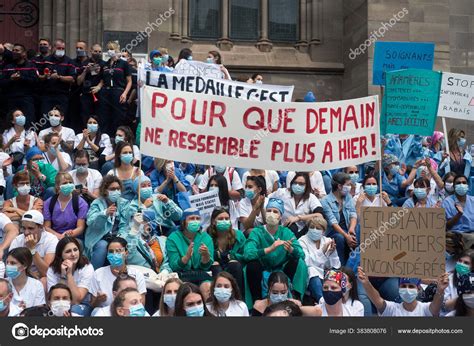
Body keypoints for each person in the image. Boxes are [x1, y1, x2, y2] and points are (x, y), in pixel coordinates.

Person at [243, 198, 307, 308]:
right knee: (251, 265)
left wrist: (291, 250)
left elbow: (302, 254)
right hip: (261, 269)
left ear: (281, 216)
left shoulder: (286, 232)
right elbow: (247, 254)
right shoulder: (257, 232)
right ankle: (257, 301)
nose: (271, 214)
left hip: (281, 269)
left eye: (275, 211)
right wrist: (269, 249)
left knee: (298, 261)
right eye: (269, 211)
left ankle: (294, 297)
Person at [358, 267, 449, 316]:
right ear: (399, 288)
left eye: (411, 286)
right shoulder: (391, 309)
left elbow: (436, 307)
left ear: (418, 289)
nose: (407, 289)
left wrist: (440, 290)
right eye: (403, 286)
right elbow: (376, 298)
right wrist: (366, 282)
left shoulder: (425, 309)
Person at [85, 176, 130, 269]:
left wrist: (121, 238)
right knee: (102, 246)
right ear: (105, 190)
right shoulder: (97, 203)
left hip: (118, 236)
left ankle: (124, 272)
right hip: (100, 237)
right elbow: (90, 222)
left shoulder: (124, 203)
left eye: (118, 188)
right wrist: (104, 213)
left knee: (128, 245)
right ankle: (93, 273)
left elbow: (125, 224)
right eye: (112, 189)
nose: (116, 191)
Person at [89, 237, 147, 310]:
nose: (114, 254)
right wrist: (98, 300)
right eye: (111, 251)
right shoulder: (98, 273)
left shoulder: (137, 274)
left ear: (126, 253)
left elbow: (142, 304)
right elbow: (92, 305)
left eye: (118, 251)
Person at [166, 208, 214, 295]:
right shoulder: (173, 238)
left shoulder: (206, 238)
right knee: (186, 290)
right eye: (191, 218)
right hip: (182, 275)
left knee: (207, 287)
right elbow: (174, 266)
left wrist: (206, 256)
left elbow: (206, 267)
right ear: (183, 222)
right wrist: (186, 257)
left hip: (201, 273)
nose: (195, 221)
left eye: (197, 218)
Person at [46, 237, 94, 316]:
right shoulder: (52, 269)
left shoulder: (87, 267)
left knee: (73, 310)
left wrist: (69, 274)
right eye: (68, 251)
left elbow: (76, 301)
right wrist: (63, 276)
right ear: (60, 255)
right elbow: (55, 296)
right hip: (61, 302)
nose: (73, 254)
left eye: (75, 250)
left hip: (82, 304)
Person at [299, 216, 340, 303]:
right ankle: (322, 301)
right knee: (312, 270)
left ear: (323, 231)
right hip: (310, 278)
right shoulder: (302, 241)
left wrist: (332, 253)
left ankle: (337, 300)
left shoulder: (327, 240)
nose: (314, 230)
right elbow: (307, 262)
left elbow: (336, 265)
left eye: (318, 228)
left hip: (326, 274)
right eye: (312, 227)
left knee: (336, 273)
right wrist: (322, 251)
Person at [269, 172, 324, 238]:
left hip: (303, 232)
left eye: (301, 184)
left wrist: (298, 218)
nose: (297, 185)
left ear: (307, 186)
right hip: (283, 229)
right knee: (292, 227)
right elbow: (267, 200)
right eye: (295, 183)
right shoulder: (282, 193)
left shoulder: (311, 197)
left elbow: (319, 215)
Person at [321, 172, 358, 265]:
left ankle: (355, 265)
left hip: (347, 228)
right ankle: (341, 266)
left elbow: (353, 214)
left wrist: (351, 229)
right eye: (348, 184)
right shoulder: (325, 201)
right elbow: (332, 222)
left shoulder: (348, 197)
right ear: (339, 186)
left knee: (359, 232)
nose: (350, 187)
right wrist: (346, 236)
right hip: (333, 232)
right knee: (340, 238)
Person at [97, 41, 132, 137]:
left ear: (117, 50)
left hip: (118, 91)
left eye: (112, 49)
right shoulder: (105, 64)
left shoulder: (123, 64)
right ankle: (104, 138)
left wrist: (125, 93)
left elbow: (129, 81)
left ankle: (117, 138)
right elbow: (102, 80)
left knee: (118, 117)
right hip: (105, 92)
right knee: (104, 117)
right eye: (108, 49)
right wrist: (98, 87)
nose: (110, 51)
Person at [9, 211, 58, 278]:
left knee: (44, 280)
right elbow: (11, 268)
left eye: (30, 228)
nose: (26, 232)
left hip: (42, 278)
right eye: (23, 228)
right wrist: (29, 274)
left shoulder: (51, 240)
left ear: (41, 227)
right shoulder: (17, 240)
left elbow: (47, 273)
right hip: (22, 276)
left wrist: (32, 249)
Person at [208, 208, 246, 293]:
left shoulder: (238, 235)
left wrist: (233, 257)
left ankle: (238, 299)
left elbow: (245, 255)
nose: (224, 221)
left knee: (234, 264)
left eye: (227, 218)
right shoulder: (206, 236)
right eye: (220, 219)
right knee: (215, 266)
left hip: (235, 267)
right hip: (215, 268)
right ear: (213, 221)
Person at [0, 44, 38, 127]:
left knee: (29, 122)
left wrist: (21, 78)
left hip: (27, 99)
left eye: (17, 50)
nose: (14, 52)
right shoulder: (8, 67)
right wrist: (11, 79)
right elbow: (2, 82)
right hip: (11, 99)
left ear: (24, 53)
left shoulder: (31, 66)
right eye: (13, 50)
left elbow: (35, 81)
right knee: (11, 123)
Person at [43, 173, 88, 240]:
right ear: (57, 186)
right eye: (64, 183)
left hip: (74, 237)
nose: (68, 185)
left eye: (70, 182)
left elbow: (80, 228)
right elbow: (47, 227)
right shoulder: (49, 203)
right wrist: (59, 236)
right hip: (54, 237)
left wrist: (67, 235)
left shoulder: (81, 203)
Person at [39, 39, 75, 118]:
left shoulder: (69, 61)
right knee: (46, 118)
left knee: (61, 118)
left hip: (62, 95)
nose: (61, 50)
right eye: (59, 48)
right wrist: (45, 76)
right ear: (53, 48)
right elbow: (39, 77)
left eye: (63, 49)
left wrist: (59, 77)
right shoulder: (46, 60)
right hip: (47, 95)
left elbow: (72, 79)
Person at [442, 174, 474, 249]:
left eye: (464, 183)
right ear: (454, 187)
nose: (461, 185)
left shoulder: (473, 200)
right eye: (458, 183)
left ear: (468, 186)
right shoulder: (447, 202)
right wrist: (459, 214)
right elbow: (446, 226)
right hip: (455, 234)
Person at [77, 44, 105, 126]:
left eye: (100, 51)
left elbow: (105, 79)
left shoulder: (104, 64)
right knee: (85, 118)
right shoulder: (84, 63)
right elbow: (78, 82)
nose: (98, 53)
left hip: (100, 95)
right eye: (95, 51)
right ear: (91, 51)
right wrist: (86, 70)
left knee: (99, 118)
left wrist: (99, 86)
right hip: (86, 95)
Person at [442, 249, 473, 314]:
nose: (461, 264)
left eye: (466, 263)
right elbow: (444, 306)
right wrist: (464, 297)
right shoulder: (448, 279)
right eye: (460, 261)